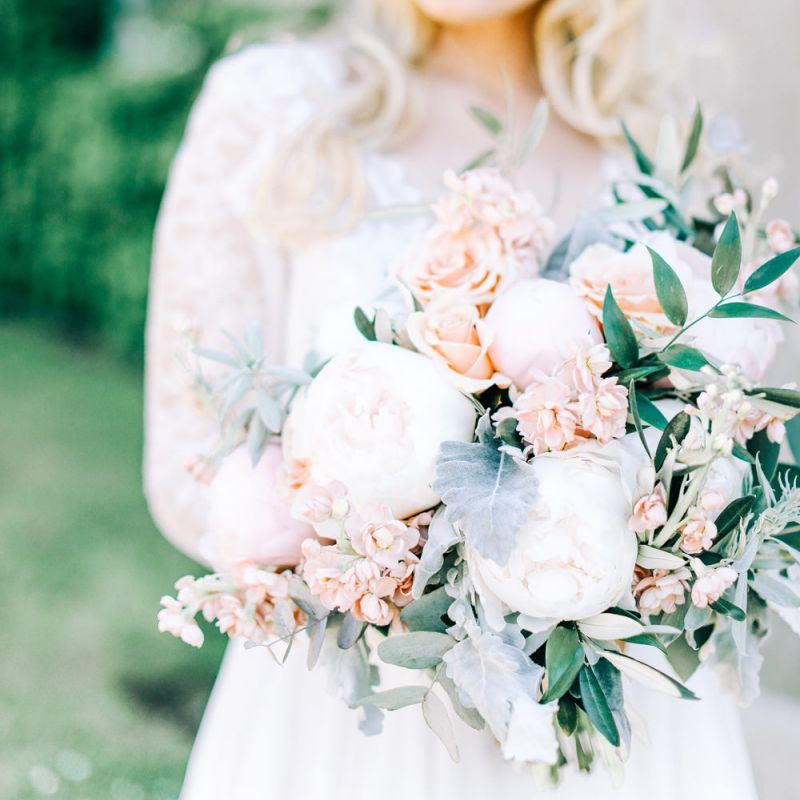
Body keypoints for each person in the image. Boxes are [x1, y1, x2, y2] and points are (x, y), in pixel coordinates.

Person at [144, 1, 758, 797]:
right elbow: (189, 451)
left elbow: (729, 421)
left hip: (627, 721)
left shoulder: (664, 142)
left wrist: (647, 547)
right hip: (357, 722)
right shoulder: (272, 108)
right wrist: (401, 578)